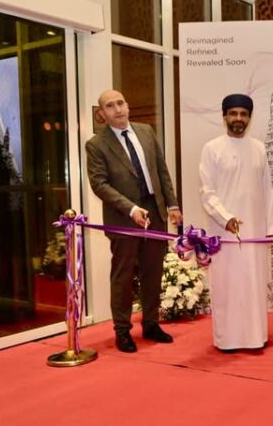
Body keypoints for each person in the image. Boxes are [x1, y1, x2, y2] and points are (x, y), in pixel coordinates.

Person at [86, 89, 183, 353]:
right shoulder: (96, 145)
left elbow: (161, 170)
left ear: (127, 106)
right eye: (110, 106)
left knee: (153, 272)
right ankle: (122, 331)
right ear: (102, 114)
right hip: (123, 218)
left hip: (155, 212)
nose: (117, 109)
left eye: (120, 103)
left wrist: (172, 204)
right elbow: (99, 184)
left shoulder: (146, 131)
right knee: (124, 276)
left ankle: (151, 324)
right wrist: (131, 209)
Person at [199, 93, 273, 352]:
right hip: (224, 233)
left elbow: (267, 190)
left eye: (243, 114)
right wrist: (226, 217)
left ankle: (256, 337)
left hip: (253, 231)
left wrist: (270, 229)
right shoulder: (212, 148)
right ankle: (228, 339)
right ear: (224, 116)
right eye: (233, 113)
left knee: (253, 284)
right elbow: (207, 192)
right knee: (227, 286)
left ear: (249, 118)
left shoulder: (259, 148)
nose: (238, 118)